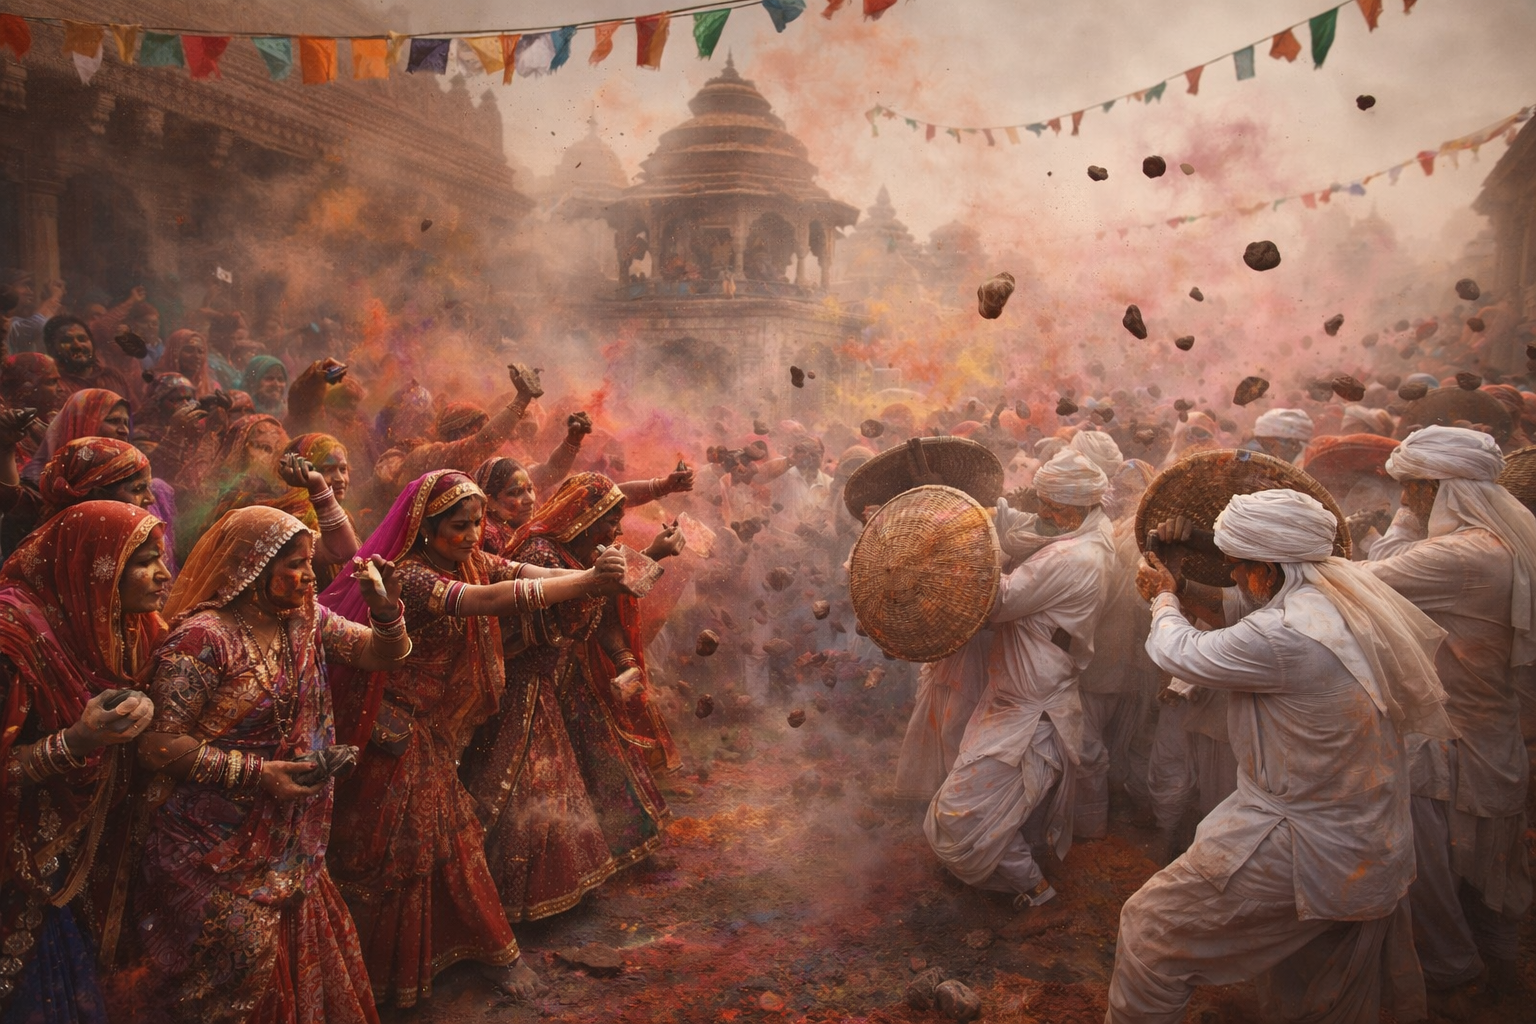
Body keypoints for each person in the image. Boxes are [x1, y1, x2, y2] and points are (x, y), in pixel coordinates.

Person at [1108, 488, 1451, 1024]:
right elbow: (1234, 605)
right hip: (1362, 830)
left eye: (1239, 567)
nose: (1236, 578)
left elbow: (1180, 651)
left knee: (1151, 931)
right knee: (1311, 982)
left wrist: (1163, 599)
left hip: (1305, 840)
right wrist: (1184, 567)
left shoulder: (1285, 635)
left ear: (1267, 568)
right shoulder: (1338, 595)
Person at [320, 470, 627, 1008]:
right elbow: (489, 601)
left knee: (425, 847)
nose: (471, 534)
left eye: (478, 523)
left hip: (434, 729)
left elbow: (518, 571)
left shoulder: (468, 559)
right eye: (458, 526)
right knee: (428, 846)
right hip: (398, 730)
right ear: (425, 526)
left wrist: (590, 574)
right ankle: (482, 958)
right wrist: (586, 583)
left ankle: (407, 969)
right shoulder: (413, 577)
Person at [130, 506, 412, 1024]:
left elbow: (380, 655)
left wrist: (386, 610)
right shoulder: (203, 639)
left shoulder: (304, 619)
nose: (310, 576)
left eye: (310, 563)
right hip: (204, 843)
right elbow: (157, 746)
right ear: (252, 567)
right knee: (231, 965)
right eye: (295, 565)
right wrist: (259, 775)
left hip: (287, 840)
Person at [461, 472, 686, 925]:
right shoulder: (539, 553)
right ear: (585, 519)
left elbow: (601, 608)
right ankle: (521, 898)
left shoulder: (582, 551)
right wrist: (652, 555)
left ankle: (595, 869)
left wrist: (624, 661)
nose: (616, 533)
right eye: (609, 522)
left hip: (565, 678)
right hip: (525, 686)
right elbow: (564, 610)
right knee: (529, 789)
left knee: (594, 767)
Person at [1362, 425, 1536, 997]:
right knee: (1491, 878)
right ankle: (1500, 981)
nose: (1403, 499)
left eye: (1410, 489)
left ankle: (1453, 978)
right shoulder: (1503, 545)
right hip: (1495, 740)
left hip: (1450, 748)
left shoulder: (1462, 556)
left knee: (1429, 874)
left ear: (1435, 489)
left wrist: (1405, 520)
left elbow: (1364, 587)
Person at [923, 450, 1116, 908]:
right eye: (1043, 501)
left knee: (957, 820)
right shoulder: (1092, 535)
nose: (1045, 513)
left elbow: (996, 600)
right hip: (1022, 695)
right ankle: (1017, 870)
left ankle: (1036, 892)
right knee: (1013, 809)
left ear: (1083, 506)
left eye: (1055, 506)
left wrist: (949, 550)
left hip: (1030, 711)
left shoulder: (1073, 557)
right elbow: (1028, 528)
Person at [0, 502, 165, 1023]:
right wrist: (76, 739)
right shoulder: (15, 641)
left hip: (93, 850)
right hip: (25, 865)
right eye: (142, 561)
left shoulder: (129, 624)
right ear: (90, 565)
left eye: (160, 557)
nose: (163, 574)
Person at [41, 317, 134, 404]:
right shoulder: (53, 385)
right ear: (51, 348)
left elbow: (133, 416)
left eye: (82, 339)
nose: (77, 346)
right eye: (67, 340)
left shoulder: (113, 376)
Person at [156, 328, 217, 398]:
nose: (197, 356)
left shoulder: (209, 386)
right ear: (174, 352)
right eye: (189, 350)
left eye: (200, 352)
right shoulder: (162, 383)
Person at [1246, 409, 1314, 465]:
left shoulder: (1310, 467)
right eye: (1265, 448)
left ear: (1294, 444)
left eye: (1271, 447)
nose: (1269, 454)